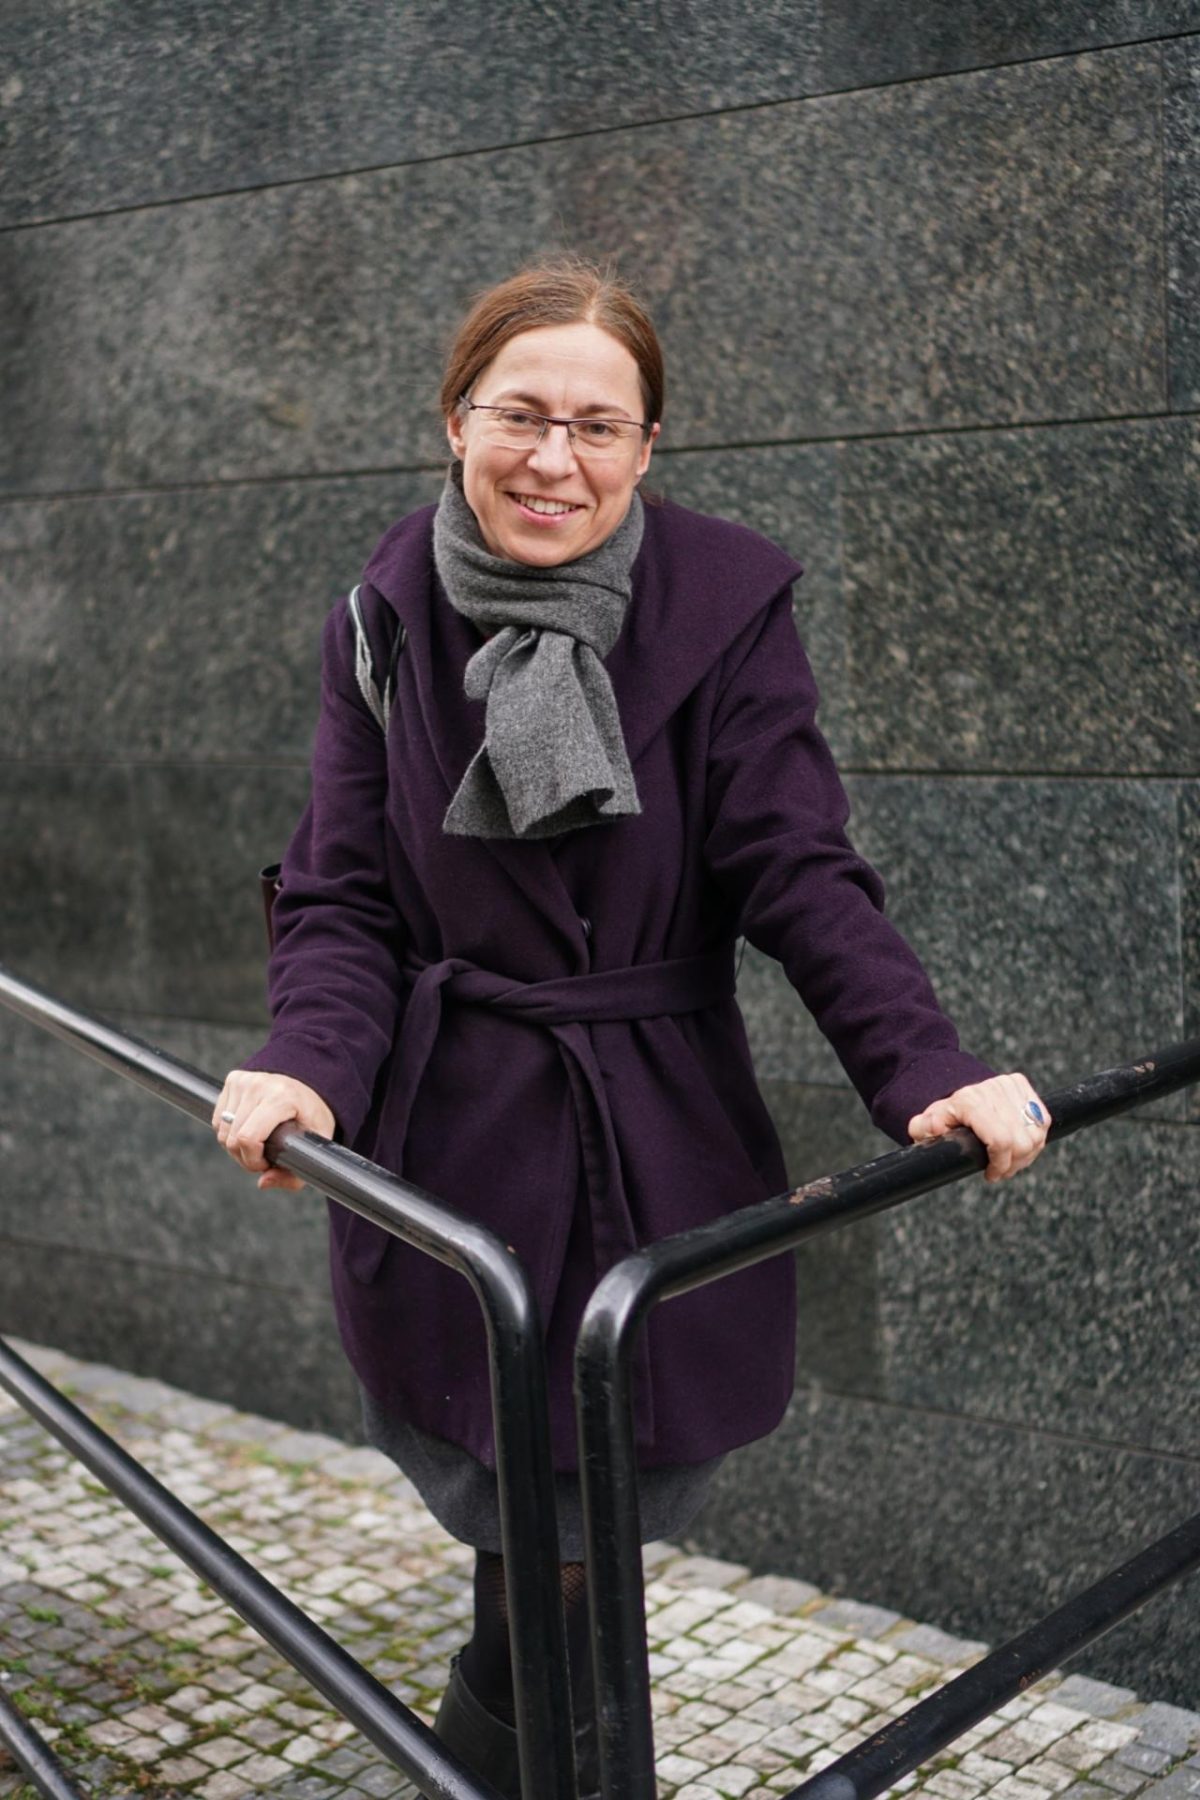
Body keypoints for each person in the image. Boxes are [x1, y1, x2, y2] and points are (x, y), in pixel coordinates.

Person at [212, 255, 1050, 1799]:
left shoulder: (723, 607)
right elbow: (342, 897)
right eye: (520, 415)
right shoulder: (383, 616)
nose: (556, 458)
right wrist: (308, 1069)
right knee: (522, 1510)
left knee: (575, 1520)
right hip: (454, 1136)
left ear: (649, 445)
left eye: (599, 426)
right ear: (455, 421)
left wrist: (923, 1068)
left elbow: (798, 868)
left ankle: (499, 1771)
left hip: (652, 1134)